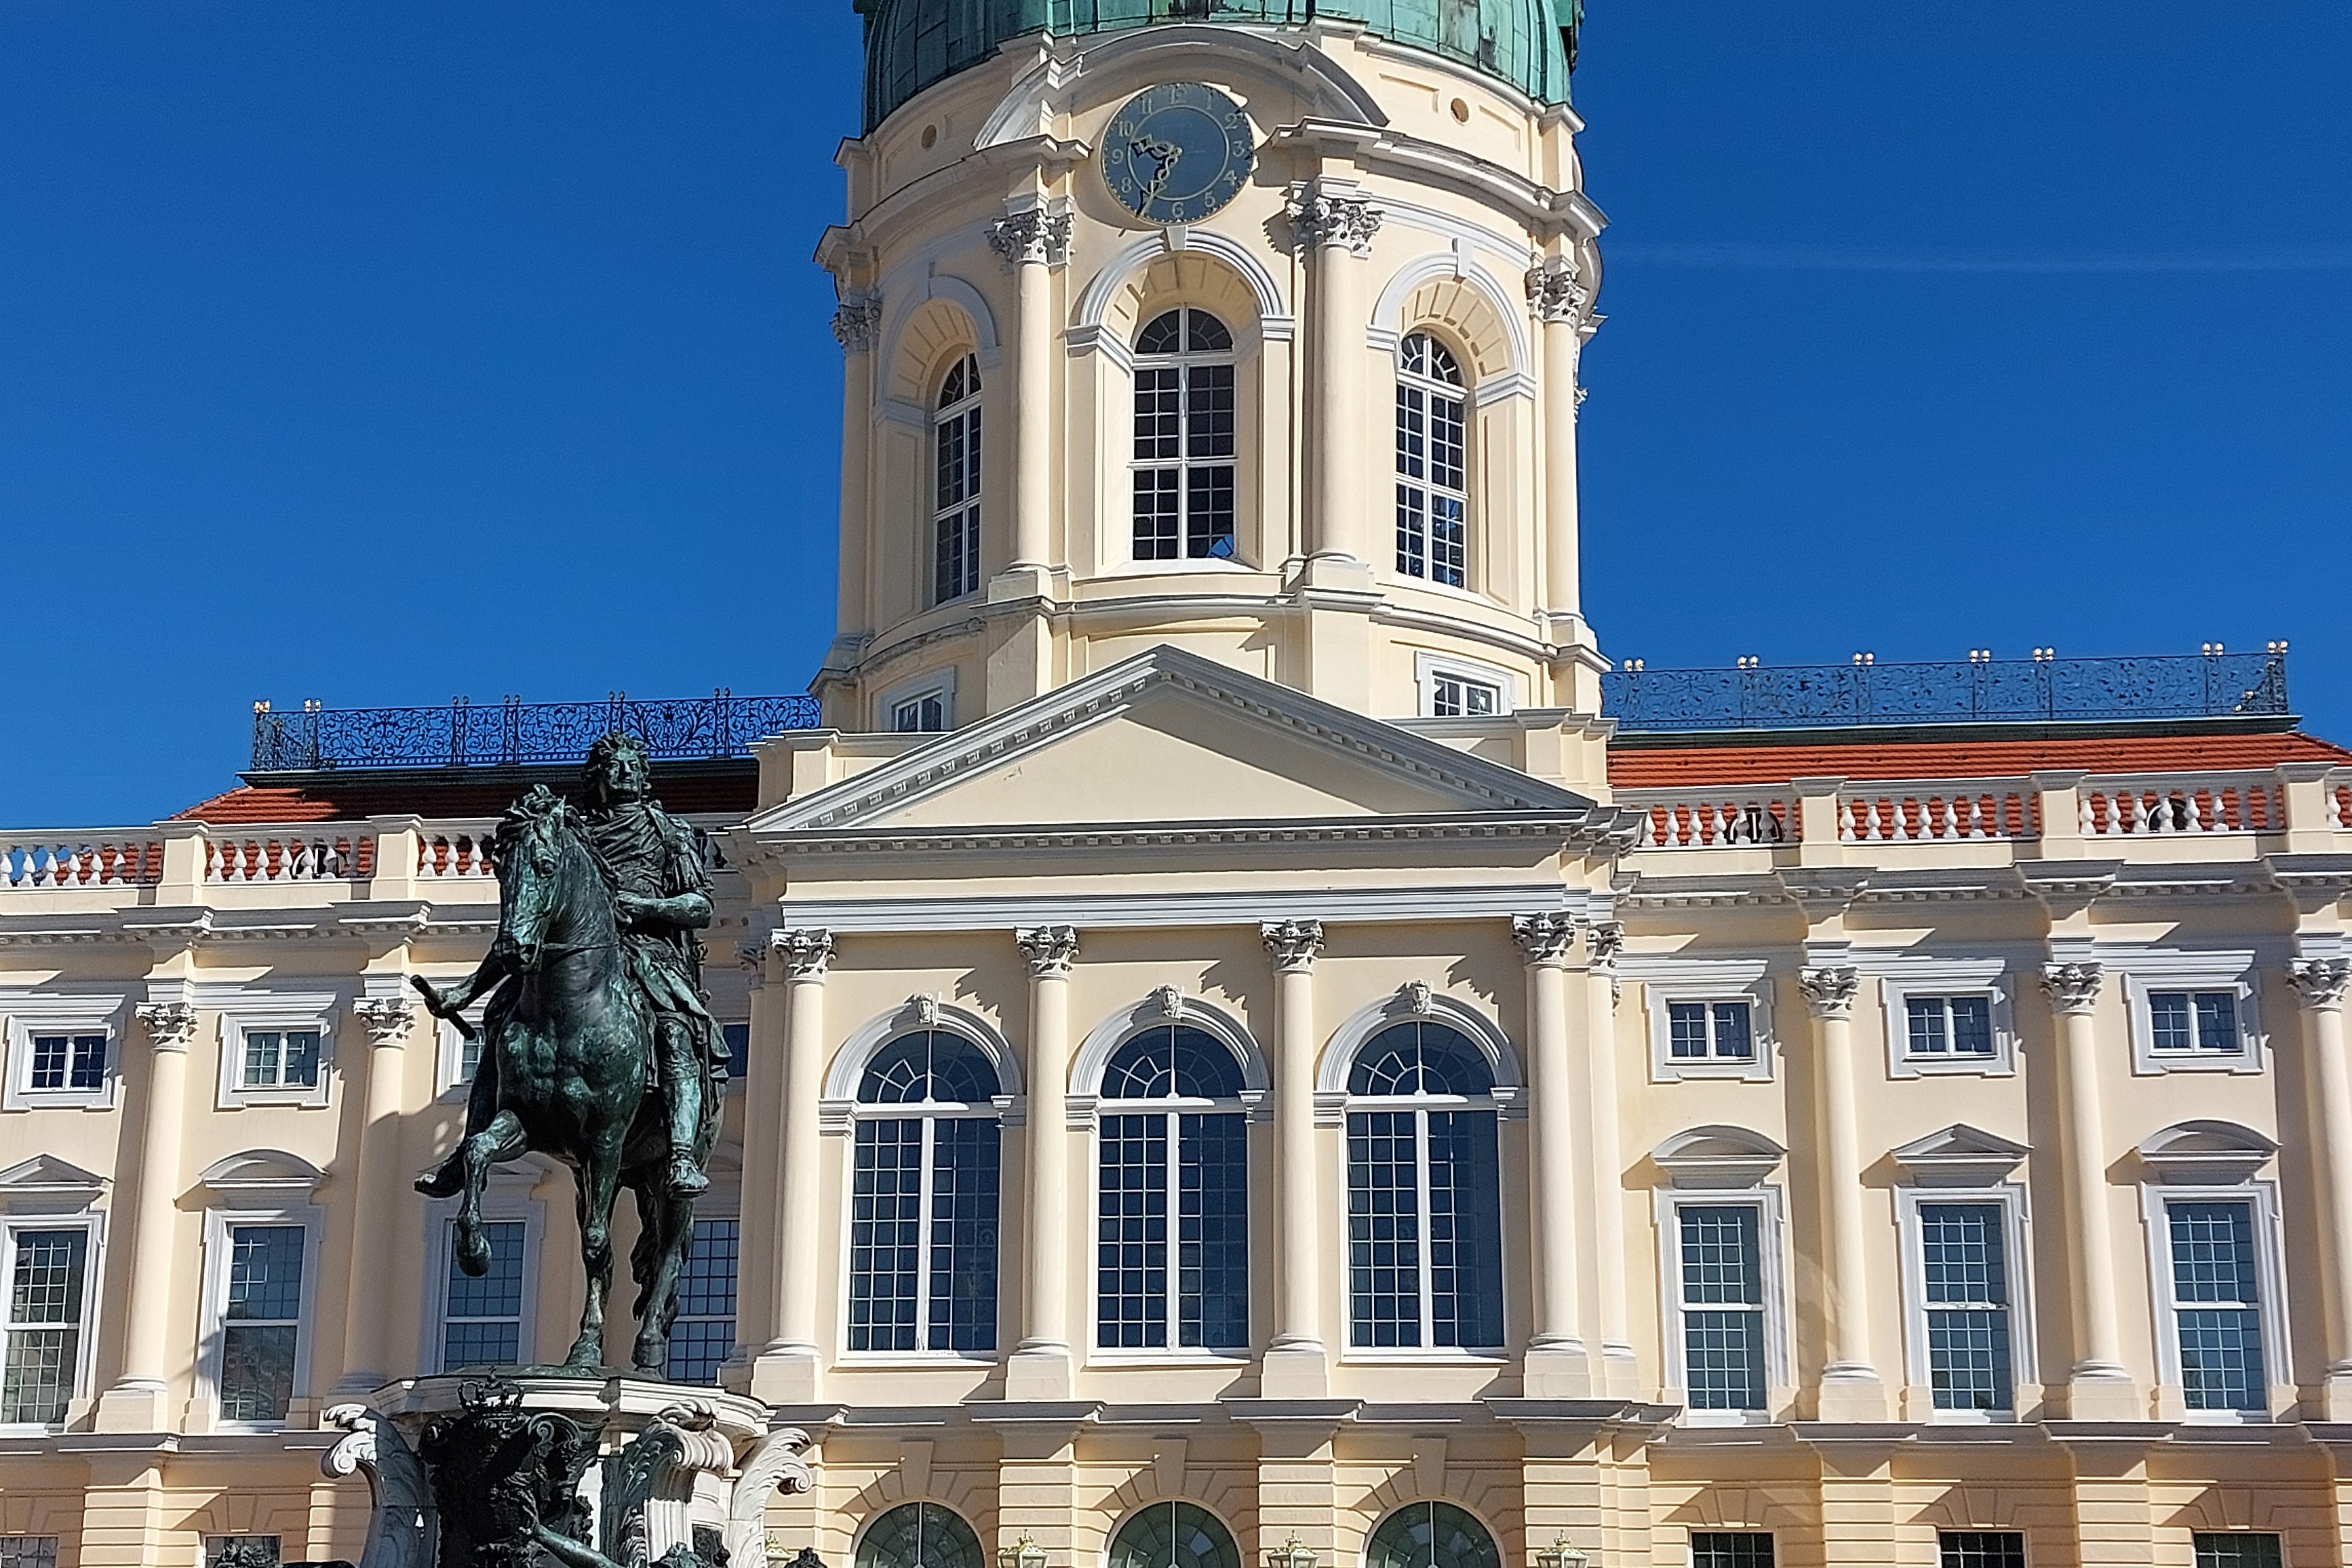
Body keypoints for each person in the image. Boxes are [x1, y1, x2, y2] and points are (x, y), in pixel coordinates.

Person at [417, 732, 722, 1198]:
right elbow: (528, 921)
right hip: (567, 954)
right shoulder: (568, 837)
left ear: (644, 777)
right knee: (501, 1020)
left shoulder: (669, 833)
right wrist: (463, 993)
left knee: (676, 1029)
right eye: (613, 766)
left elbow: (699, 906)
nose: (624, 773)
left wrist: (646, 907)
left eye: (632, 766)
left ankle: (681, 1153)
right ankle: (465, 1152)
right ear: (596, 778)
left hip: (648, 953)